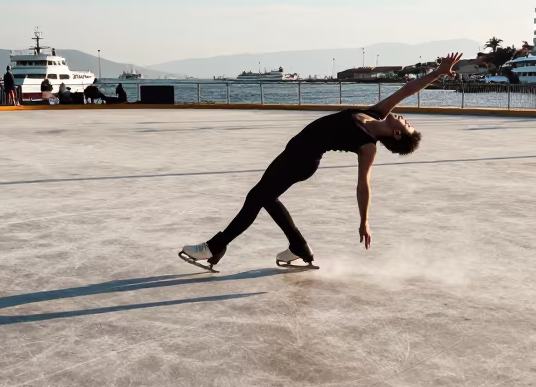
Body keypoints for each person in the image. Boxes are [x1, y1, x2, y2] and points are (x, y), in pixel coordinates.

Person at [179, 53, 463, 271]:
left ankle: (216, 247)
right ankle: (299, 248)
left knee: (256, 197)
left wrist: (364, 221)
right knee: (265, 198)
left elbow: (364, 185)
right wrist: (437, 72)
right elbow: (408, 88)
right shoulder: (375, 114)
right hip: (292, 155)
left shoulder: (367, 146)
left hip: (301, 162)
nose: (405, 117)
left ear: (397, 134)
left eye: (407, 124)